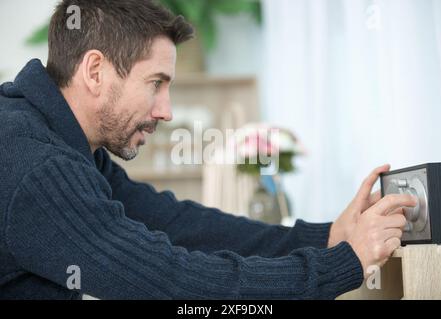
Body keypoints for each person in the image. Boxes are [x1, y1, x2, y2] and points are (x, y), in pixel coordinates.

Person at [0, 0, 416, 300]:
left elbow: (176, 224)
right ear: (95, 71)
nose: (166, 111)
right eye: (155, 83)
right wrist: (344, 263)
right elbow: (172, 283)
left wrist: (327, 237)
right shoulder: (40, 168)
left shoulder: (62, 140)